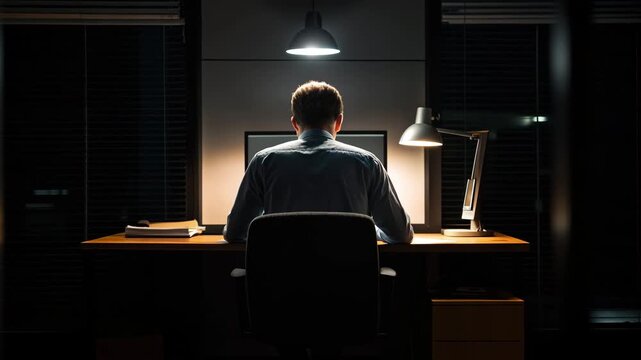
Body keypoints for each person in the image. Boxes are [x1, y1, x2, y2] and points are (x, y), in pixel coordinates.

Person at [223, 80, 413, 245]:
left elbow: (234, 234)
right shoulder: (368, 163)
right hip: (349, 282)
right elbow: (400, 234)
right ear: (339, 121)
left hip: (280, 283)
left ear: (294, 123)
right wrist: (366, 232)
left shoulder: (263, 162)